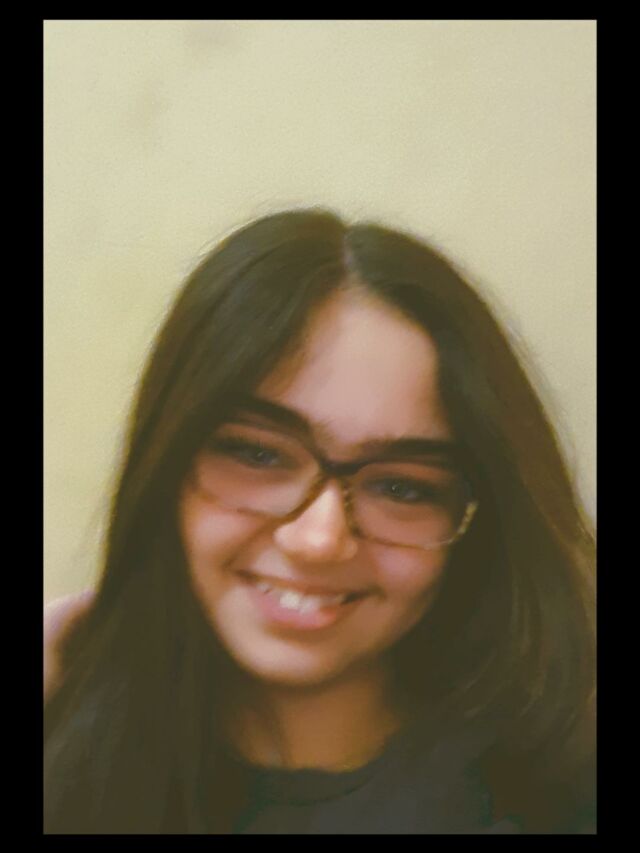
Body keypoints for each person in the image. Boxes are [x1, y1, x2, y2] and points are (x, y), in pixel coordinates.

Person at [44, 209, 596, 834]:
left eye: (401, 487)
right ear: (166, 459)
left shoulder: (554, 796)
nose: (318, 540)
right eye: (258, 454)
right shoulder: (66, 757)